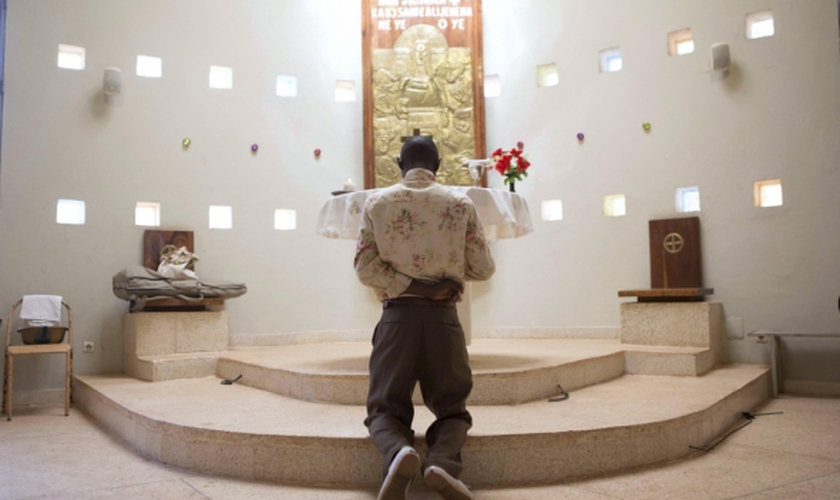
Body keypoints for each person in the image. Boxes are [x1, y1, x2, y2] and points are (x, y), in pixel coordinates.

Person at [354, 136, 495, 500]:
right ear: (440, 164)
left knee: (384, 407)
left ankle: (398, 452)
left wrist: (410, 285)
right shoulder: (460, 203)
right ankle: (442, 464)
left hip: (396, 320)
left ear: (400, 162)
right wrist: (437, 284)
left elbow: (365, 269)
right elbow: (483, 268)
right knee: (452, 408)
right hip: (442, 321)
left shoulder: (377, 203)